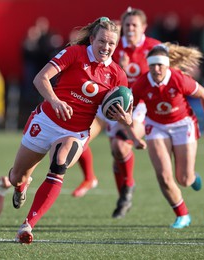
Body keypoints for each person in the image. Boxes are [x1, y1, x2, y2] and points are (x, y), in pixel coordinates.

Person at [9, 17, 132, 244]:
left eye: (111, 44)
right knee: (17, 175)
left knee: (59, 162)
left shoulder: (117, 74)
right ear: (92, 39)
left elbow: (127, 114)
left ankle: (28, 225)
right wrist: (55, 101)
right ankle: (22, 183)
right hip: (46, 121)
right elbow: (40, 78)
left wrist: (125, 119)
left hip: (75, 132)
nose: (106, 47)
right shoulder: (75, 53)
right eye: (102, 41)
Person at [73, 7, 160, 222]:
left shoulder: (153, 48)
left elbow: (165, 73)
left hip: (137, 106)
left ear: (143, 27)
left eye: (134, 25)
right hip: (107, 100)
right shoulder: (113, 44)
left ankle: (127, 187)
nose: (130, 29)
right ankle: (90, 177)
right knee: (77, 138)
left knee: (119, 147)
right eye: (127, 25)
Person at [128, 43, 204, 228]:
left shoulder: (178, 79)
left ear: (167, 65)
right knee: (164, 176)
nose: (157, 69)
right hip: (156, 126)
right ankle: (182, 215)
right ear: (148, 66)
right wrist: (133, 136)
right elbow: (128, 112)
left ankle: (192, 177)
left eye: (160, 64)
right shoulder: (141, 84)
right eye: (153, 65)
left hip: (182, 124)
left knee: (183, 179)